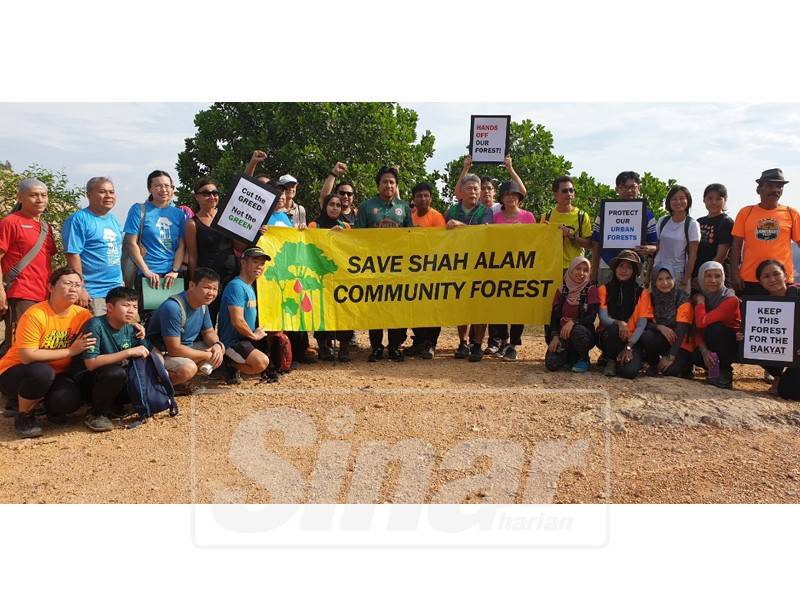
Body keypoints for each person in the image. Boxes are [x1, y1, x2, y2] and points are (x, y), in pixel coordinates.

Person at [0, 267, 93, 438]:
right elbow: (27, 356)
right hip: (16, 372)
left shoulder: (83, 315)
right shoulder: (35, 315)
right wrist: (70, 351)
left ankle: (49, 407)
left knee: (68, 401)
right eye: (67, 283)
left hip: (56, 374)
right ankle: (24, 415)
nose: (73, 288)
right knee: (42, 372)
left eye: (77, 285)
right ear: (50, 287)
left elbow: (102, 329)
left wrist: (131, 328)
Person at [356, 166, 413, 362]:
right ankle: (376, 347)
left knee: (397, 306)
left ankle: (395, 346)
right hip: (373, 266)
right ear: (378, 185)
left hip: (398, 267)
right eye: (385, 182)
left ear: (396, 185)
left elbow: (412, 236)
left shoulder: (404, 207)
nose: (388, 185)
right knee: (375, 307)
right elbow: (357, 237)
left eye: (392, 182)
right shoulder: (366, 206)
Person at [0, 178, 58, 362]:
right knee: (19, 346)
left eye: (43, 195)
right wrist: (0, 291)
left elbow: (47, 261)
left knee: (39, 344)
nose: (40, 199)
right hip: (20, 293)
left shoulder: (46, 227)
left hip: (44, 294)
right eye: (33, 195)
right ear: (20, 197)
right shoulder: (10, 222)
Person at [79, 287, 148, 432]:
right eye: (126, 305)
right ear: (110, 307)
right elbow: (91, 363)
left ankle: (115, 405)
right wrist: (128, 352)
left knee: (140, 370)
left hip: (115, 381)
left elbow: (146, 353)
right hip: (90, 382)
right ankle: (96, 414)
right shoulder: (95, 325)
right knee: (115, 373)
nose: (131, 311)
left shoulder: (132, 328)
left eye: (135, 307)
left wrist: (143, 339)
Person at [145, 267, 224, 392]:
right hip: (162, 353)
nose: (211, 293)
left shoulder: (203, 305)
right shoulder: (173, 307)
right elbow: (174, 349)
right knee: (189, 369)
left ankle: (178, 382)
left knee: (219, 350)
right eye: (207, 287)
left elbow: (209, 332)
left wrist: (217, 346)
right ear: (192, 285)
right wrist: (207, 355)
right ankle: (155, 385)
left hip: (184, 348)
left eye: (214, 289)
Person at [445, 173, 494, 362]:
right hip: (457, 264)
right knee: (461, 303)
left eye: (476, 188)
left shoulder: (486, 211)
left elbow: (484, 233)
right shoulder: (451, 211)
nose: (473, 192)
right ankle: (463, 342)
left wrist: (460, 225)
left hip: (480, 264)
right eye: (469, 188)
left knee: (480, 304)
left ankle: (477, 344)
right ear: (461, 192)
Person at [485, 180, 535, 360]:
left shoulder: (528, 217)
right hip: (500, 268)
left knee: (518, 308)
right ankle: (503, 341)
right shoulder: (496, 217)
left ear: (519, 197)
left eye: (514, 194)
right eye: (507, 194)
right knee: (500, 307)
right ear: (502, 198)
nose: (511, 197)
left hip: (521, 268)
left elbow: (535, 241)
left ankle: (513, 345)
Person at [730, 168, 800, 295]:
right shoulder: (746, 212)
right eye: (770, 185)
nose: (775, 190)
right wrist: (734, 273)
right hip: (749, 279)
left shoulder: (791, 213)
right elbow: (736, 245)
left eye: (779, 186)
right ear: (759, 189)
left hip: (781, 280)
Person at [62, 177, 124, 316]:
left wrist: (121, 280)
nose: (108, 196)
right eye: (102, 192)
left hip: (116, 290)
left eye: (111, 192)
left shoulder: (113, 219)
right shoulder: (78, 219)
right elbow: (72, 255)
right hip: (94, 292)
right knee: (97, 328)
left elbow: (116, 251)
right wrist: (80, 288)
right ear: (89, 195)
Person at [122, 170, 187, 305]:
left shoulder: (179, 214)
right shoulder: (139, 210)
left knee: (173, 313)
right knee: (150, 314)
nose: (164, 189)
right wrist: (146, 271)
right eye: (158, 186)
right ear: (149, 188)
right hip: (148, 276)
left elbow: (182, 245)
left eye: (167, 186)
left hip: (172, 277)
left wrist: (175, 271)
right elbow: (130, 243)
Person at [184, 177, 238, 325]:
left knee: (231, 320)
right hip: (207, 281)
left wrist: (257, 231)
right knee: (207, 320)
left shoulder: (228, 216)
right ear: (197, 197)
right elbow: (193, 256)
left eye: (215, 193)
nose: (212, 196)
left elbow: (241, 191)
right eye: (206, 193)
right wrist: (194, 282)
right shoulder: (192, 223)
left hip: (230, 277)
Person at [307, 194, 354, 361]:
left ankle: (344, 347)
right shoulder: (314, 225)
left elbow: (353, 248)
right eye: (331, 204)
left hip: (342, 276)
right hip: (320, 276)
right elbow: (308, 245)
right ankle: (323, 346)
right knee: (321, 310)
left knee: (344, 310)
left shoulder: (346, 226)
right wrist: (327, 235)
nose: (335, 208)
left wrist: (343, 237)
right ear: (325, 206)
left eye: (338, 205)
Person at [590, 171, 658, 285]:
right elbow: (596, 243)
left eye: (632, 187)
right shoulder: (604, 212)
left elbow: (654, 244)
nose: (629, 190)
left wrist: (649, 249)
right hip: (607, 266)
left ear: (639, 188)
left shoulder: (647, 214)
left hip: (635, 267)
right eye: (624, 187)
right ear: (617, 189)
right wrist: (593, 273)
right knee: (605, 296)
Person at [404, 182, 446, 359]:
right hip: (413, 269)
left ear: (431, 198)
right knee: (414, 307)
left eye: (426, 195)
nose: (423, 199)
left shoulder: (436, 217)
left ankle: (431, 343)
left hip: (432, 269)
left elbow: (442, 242)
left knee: (432, 308)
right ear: (413, 199)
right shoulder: (410, 217)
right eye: (419, 196)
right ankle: (419, 341)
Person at [217, 248, 271, 383]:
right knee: (261, 363)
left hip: (245, 339)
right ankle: (228, 363)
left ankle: (234, 363)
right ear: (243, 263)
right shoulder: (236, 286)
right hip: (233, 341)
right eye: (255, 262)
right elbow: (237, 321)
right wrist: (254, 336)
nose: (259, 266)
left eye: (262, 263)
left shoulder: (248, 286)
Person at [597, 250, 653, 378]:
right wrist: (619, 322)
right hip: (610, 337)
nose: (624, 270)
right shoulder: (604, 289)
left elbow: (641, 324)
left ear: (634, 271)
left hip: (632, 340)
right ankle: (611, 359)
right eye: (621, 266)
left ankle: (630, 358)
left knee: (629, 372)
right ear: (615, 268)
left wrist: (629, 346)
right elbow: (603, 318)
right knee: (613, 328)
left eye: (629, 267)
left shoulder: (642, 293)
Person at [750, 260, 800, 399]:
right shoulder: (761, 306)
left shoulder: (797, 293)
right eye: (766, 276)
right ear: (760, 282)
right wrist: (745, 335)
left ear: (785, 275)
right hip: (790, 354)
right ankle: (778, 376)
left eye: (776, 274)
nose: (772, 279)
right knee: (786, 390)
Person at [637, 266, 695, 377]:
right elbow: (643, 322)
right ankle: (653, 364)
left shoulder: (683, 298)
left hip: (681, 342)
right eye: (660, 279)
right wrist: (659, 327)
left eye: (668, 278)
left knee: (670, 371)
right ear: (654, 281)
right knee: (646, 335)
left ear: (674, 279)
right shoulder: (651, 298)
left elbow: (682, 331)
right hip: (663, 339)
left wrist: (670, 357)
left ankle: (684, 364)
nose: (665, 283)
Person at [545, 257, 599, 373]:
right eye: (578, 268)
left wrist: (573, 322)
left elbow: (591, 317)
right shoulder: (561, 290)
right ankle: (570, 356)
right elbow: (554, 317)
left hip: (583, 334)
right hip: (563, 336)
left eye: (586, 270)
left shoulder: (591, 290)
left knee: (577, 330)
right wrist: (554, 336)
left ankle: (583, 358)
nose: (581, 273)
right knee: (551, 364)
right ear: (571, 269)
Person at [692, 261, 741, 389]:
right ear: (701, 278)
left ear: (723, 278)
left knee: (715, 328)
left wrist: (700, 303)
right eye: (708, 276)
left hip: (731, 344)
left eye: (717, 276)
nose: (713, 280)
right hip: (710, 342)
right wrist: (704, 351)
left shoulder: (730, 299)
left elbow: (702, 322)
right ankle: (713, 368)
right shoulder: (701, 296)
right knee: (694, 354)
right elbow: (696, 329)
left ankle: (724, 371)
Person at [652, 185, 700, 292]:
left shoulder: (692, 224)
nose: (678, 202)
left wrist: (686, 280)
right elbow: (655, 249)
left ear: (688, 201)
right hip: (658, 271)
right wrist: (649, 274)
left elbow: (693, 256)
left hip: (678, 274)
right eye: (674, 199)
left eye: (682, 198)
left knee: (678, 302)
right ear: (669, 202)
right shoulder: (662, 221)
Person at [541, 176, 592, 271]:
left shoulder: (582, 216)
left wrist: (571, 236)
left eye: (571, 190)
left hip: (574, 269)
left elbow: (589, 245)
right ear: (555, 195)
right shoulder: (546, 216)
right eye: (564, 191)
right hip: (551, 268)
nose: (569, 194)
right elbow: (541, 244)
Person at [693, 183, 734, 289]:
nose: (714, 202)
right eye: (710, 198)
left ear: (725, 200)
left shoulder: (726, 222)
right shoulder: (698, 222)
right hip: (697, 276)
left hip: (715, 278)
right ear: (704, 200)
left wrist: (704, 277)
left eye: (718, 199)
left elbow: (721, 256)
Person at [454, 155, 528, 213]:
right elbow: (459, 194)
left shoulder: (502, 207)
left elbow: (522, 192)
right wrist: (465, 168)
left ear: (494, 192)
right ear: (478, 192)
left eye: (489, 188)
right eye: (482, 188)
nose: (486, 191)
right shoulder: (474, 209)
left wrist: (510, 168)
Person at [319, 162, 358, 226]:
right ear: (336, 194)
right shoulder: (330, 211)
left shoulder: (358, 214)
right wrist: (334, 173)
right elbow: (324, 197)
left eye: (349, 194)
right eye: (342, 193)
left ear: (353, 197)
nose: (345, 196)